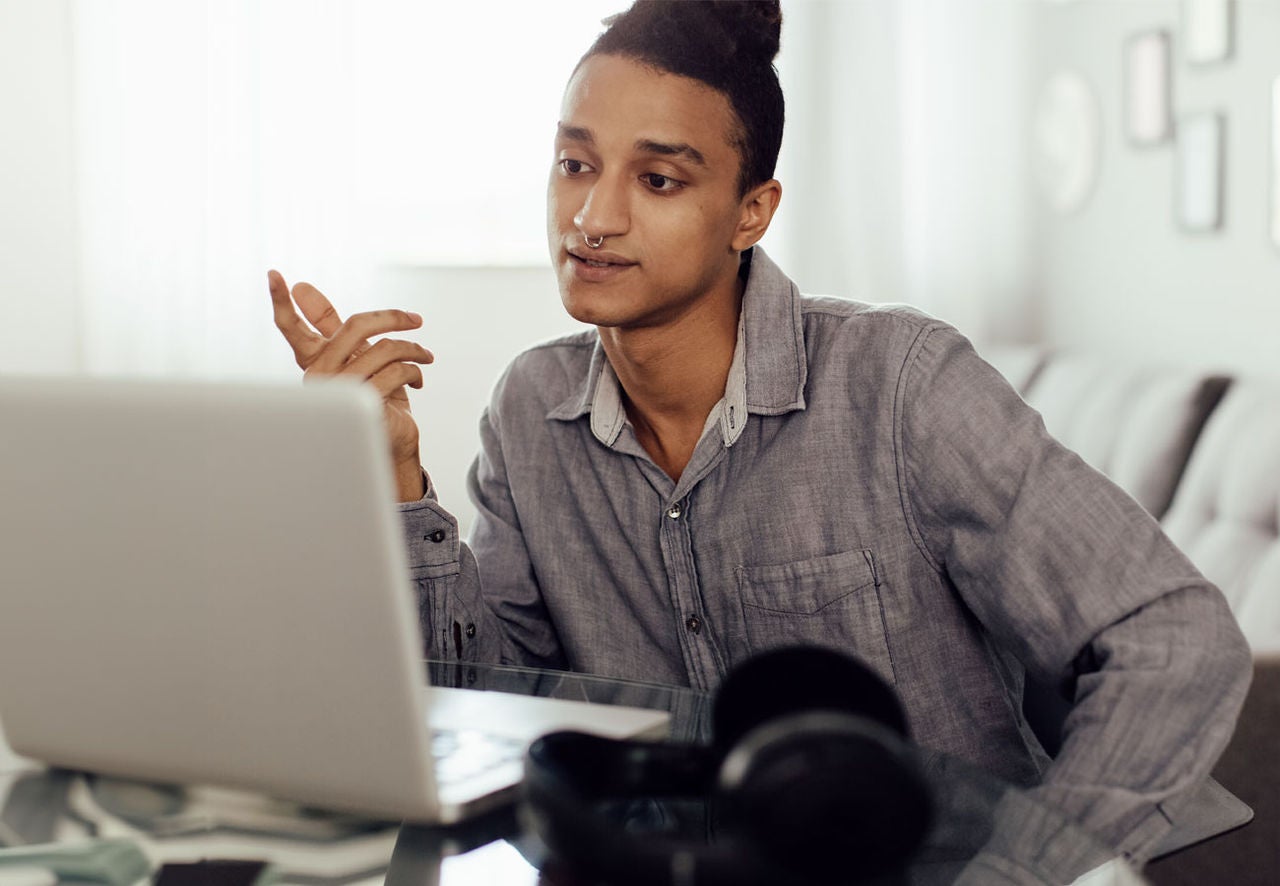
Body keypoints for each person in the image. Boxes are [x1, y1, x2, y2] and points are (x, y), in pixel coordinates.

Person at [267, 0, 1249, 866]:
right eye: (575, 164)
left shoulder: (900, 385)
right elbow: (476, 699)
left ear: (750, 211)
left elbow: (1173, 636)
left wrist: (1024, 871)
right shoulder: (530, 409)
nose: (592, 215)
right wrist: (394, 475)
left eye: (657, 180)